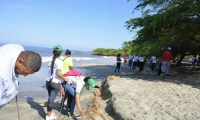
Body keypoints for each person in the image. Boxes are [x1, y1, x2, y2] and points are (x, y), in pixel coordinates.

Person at [0, 44, 42, 108]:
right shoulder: (2, 73)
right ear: (20, 61)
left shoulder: (19, 48)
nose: (25, 75)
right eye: (25, 72)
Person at [46, 45, 69, 120]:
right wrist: (65, 78)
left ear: (53, 51)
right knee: (51, 100)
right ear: (60, 52)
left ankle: (50, 113)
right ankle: (48, 116)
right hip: (55, 82)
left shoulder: (50, 59)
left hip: (48, 81)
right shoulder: (59, 61)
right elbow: (58, 74)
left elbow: (51, 71)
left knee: (50, 98)